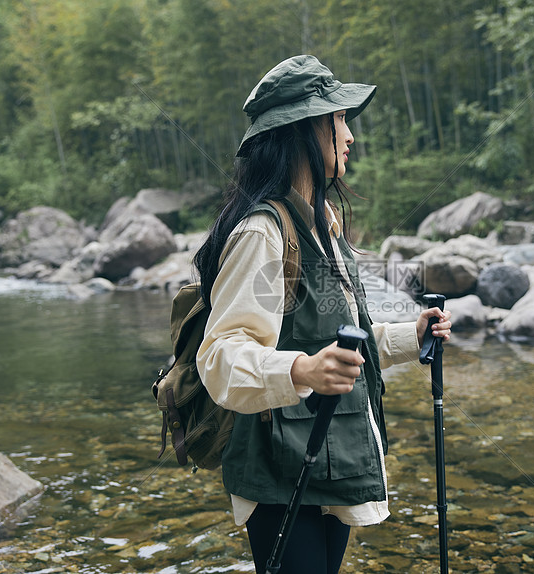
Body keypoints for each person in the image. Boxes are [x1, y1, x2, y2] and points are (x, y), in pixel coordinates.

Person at [195, 55, 452, 574]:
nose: (349, 134)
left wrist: (412, 335)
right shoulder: (263, 233)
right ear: (301, 131)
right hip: (282, 467)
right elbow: (220, 356)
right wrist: (301, 370)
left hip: (331, 460)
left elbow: (341, 342)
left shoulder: (321, 223)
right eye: (337, 119)